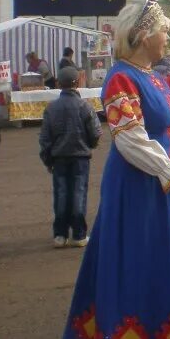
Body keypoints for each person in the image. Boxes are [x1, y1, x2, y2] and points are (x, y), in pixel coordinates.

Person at [58, 0, 170, 339]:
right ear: (144, 36)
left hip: (165, 181)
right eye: (164, 32)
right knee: (140, 260)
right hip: (138, 184)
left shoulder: (156, 78)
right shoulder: (121, 77)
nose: (168, 39)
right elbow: (130, 139)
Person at [40, 65, 101, 248]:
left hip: (58, 158)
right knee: (78, 193)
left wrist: (47, 159)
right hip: (81, 157)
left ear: (58, 83)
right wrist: (90, 145)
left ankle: (60, 234)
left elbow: (45, 138)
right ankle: (79, 234)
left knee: (61, 193)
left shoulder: (51, 108)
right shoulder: (85, 106)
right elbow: (96, 133)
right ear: (78, 82)